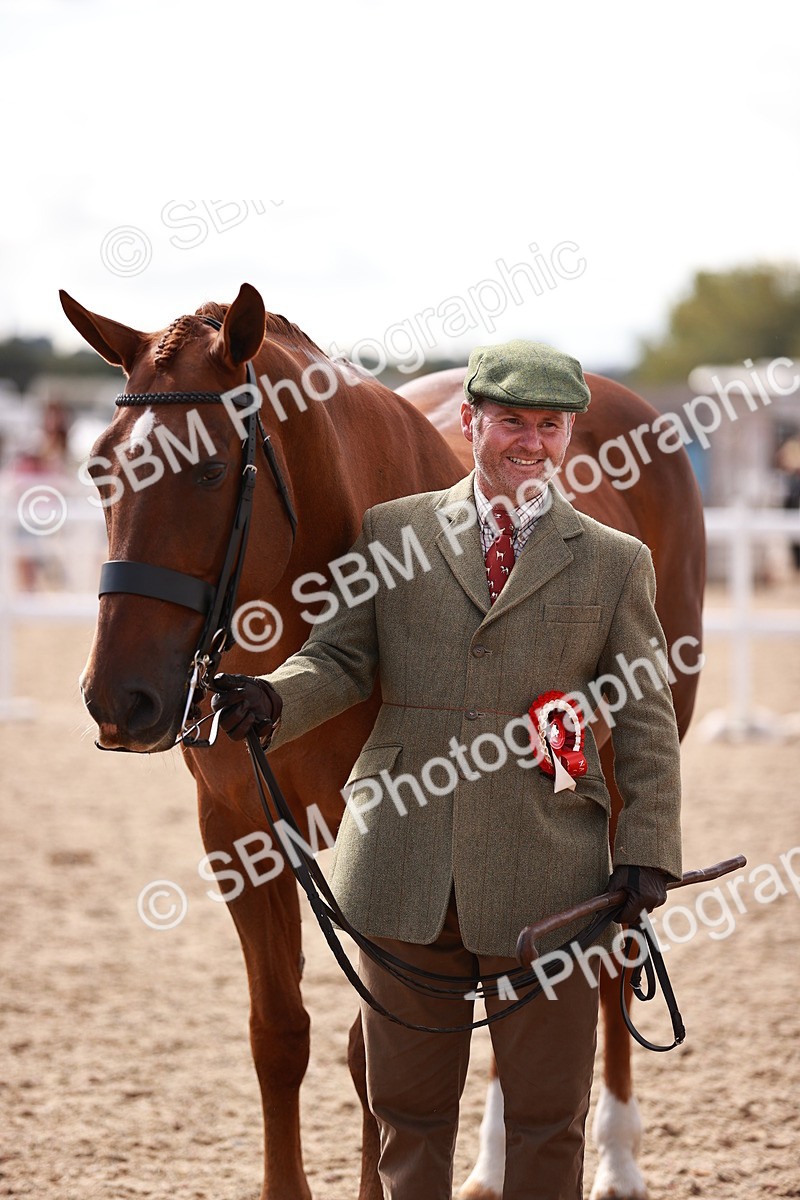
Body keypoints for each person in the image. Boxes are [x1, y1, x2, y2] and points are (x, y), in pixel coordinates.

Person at [212, 340, 683, 1200]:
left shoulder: (618, 561)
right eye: (511, 421)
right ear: (471, 422)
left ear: (570, 435)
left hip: (551, 874)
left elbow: (646, 713)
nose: (530, 443)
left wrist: (648, 845)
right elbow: (341, 659)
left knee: (548, 1121)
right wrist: (275, 700)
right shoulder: (394, 535)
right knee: (407, 1116)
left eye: (550, 425)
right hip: (403, 861)